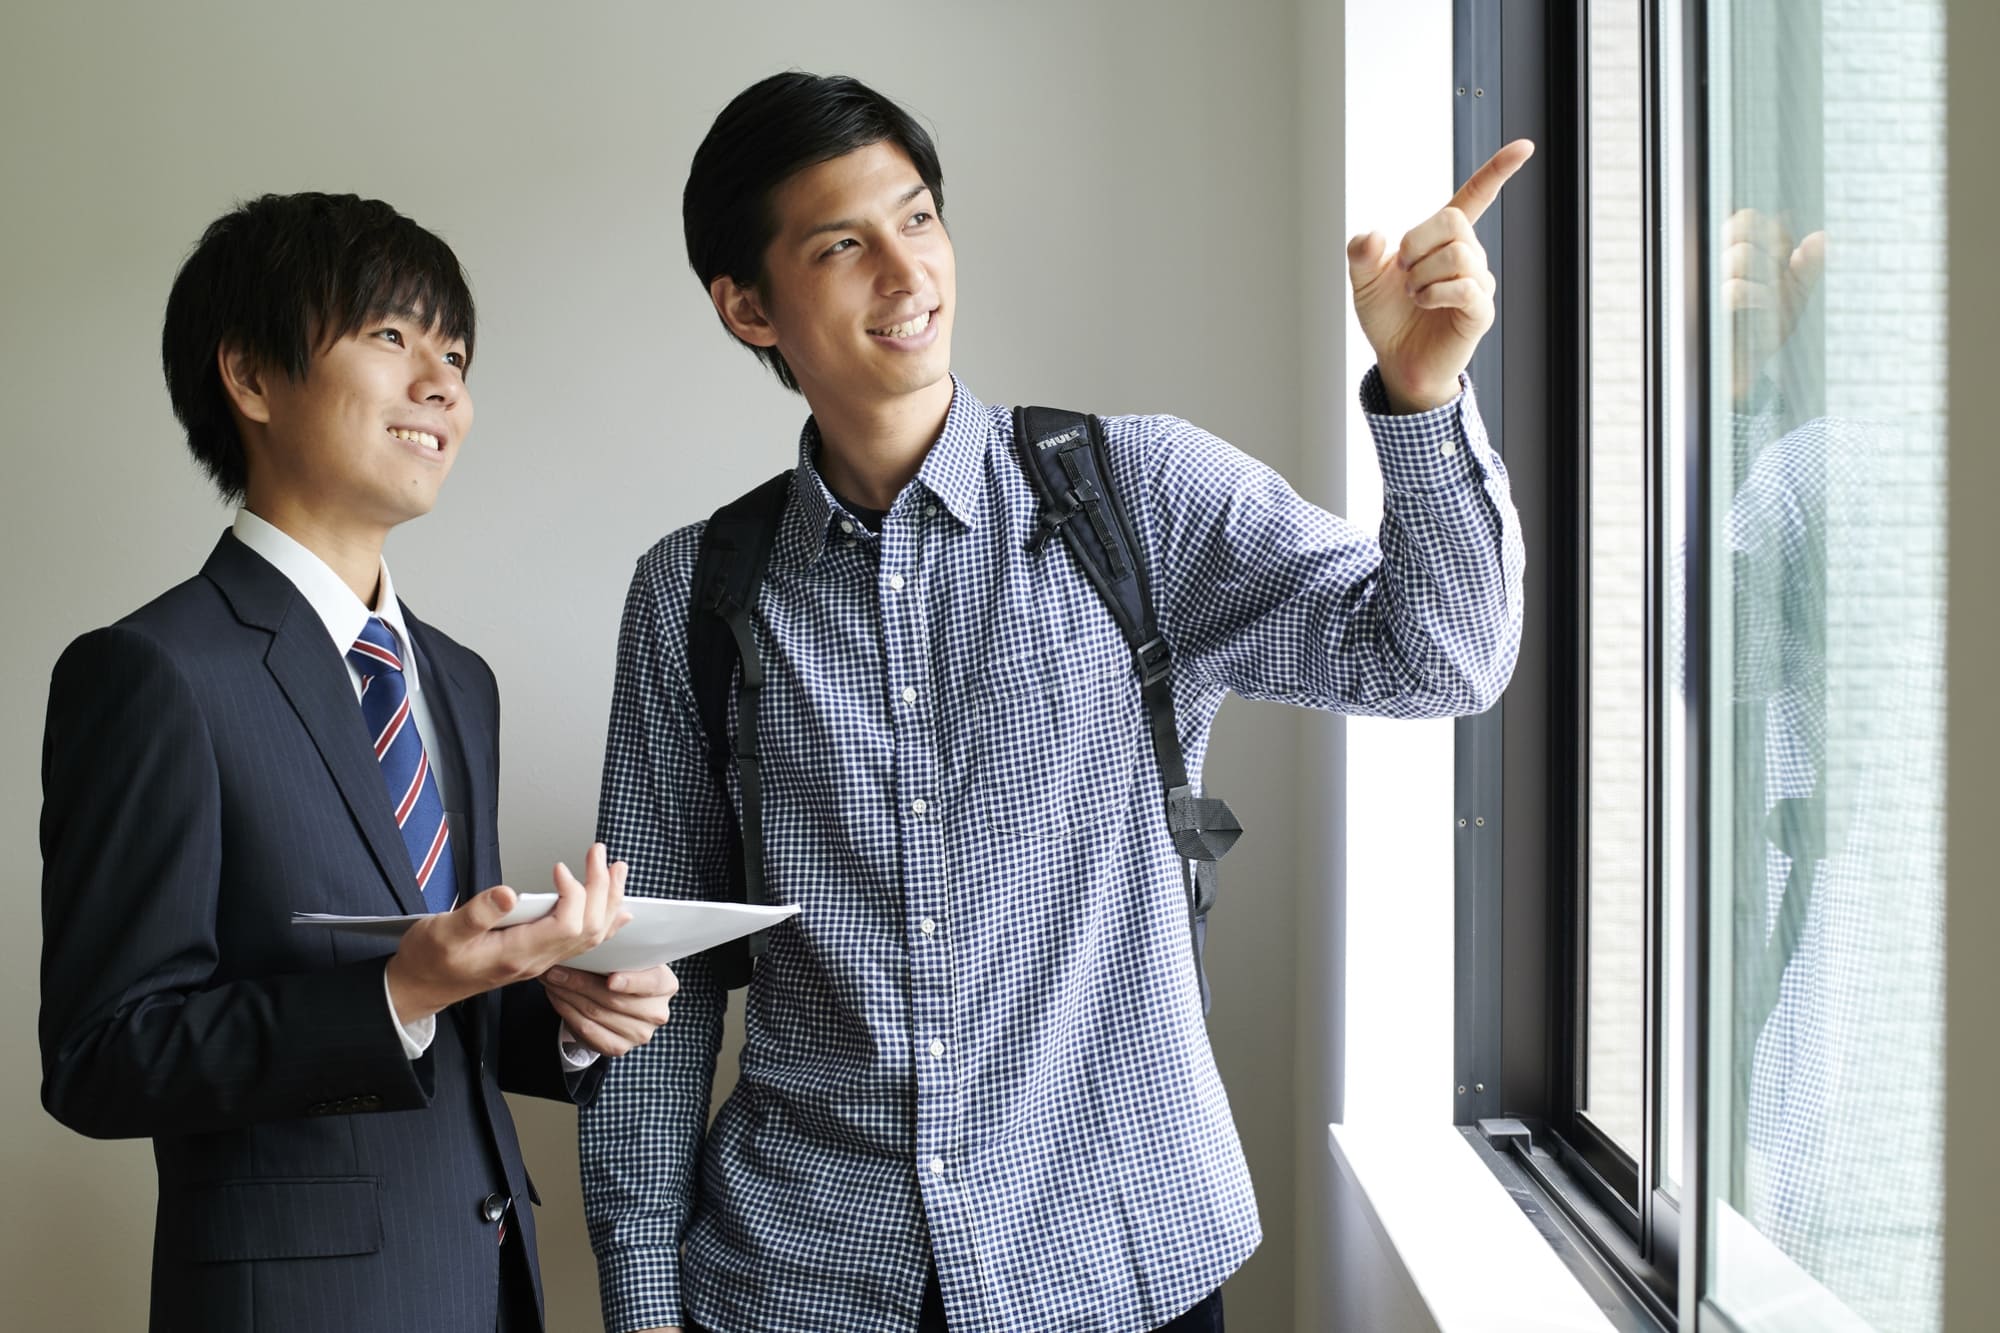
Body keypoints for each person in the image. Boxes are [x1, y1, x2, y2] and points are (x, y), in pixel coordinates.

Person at [582, 73, 1528, 1333]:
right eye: (841, 245)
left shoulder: (1128, 495)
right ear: (748, 305)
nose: (906, 275)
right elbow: (656, 973)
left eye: (918, 220)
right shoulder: (694, 592)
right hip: (803, 1281)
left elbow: (1440, 659)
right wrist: (641, 1298)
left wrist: (1420, 398)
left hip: (1108, 1259)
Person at [38, 192, 680, 1333]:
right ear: (248, 376)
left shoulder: (455, 677)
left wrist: (566, 1008)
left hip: (486, 1287)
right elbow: (102, 1056)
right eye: (391, 336)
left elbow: (448, 997)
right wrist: (401, 990)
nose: (442, 384)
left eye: (456, 353)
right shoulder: (152, 672)